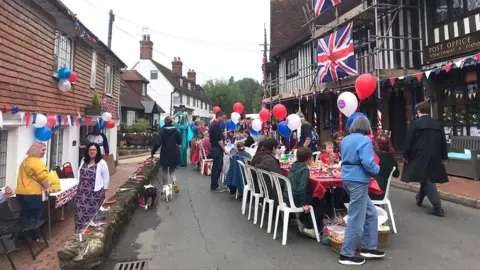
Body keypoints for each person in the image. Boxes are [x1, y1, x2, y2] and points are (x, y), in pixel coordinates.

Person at [339, 116, 382, 265]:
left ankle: (369, 247)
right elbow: (368, 162)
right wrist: (377, 169)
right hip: (358, 178)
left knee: (370, 212)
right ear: (367, 127)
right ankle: (347, 253)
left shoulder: (345, 140)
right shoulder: (365, 141)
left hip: (347, 176)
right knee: (357, 217)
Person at [402, 101, 448, 217]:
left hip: (419, 156)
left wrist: (405, 155)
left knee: (427, 180)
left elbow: (409, 141)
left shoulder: (415, 124)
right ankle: (419, 198)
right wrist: (444, 156)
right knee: (426, 177)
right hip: (434, 155)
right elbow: (443, 142)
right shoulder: (438, 124)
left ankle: (438, 208)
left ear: (418, 111)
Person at [286, 147, 325, 239]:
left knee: (313, 195)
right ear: (309, 158)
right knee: (319, 200)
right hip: (295, 199)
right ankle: (310, 227)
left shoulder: (294, 165)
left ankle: (303, 220)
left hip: (288, 196)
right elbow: (301, 188)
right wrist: (304, 204)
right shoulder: (305, 169)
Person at [15, 142, 50, 242]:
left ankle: (22, 237)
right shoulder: (37, 162)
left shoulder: (25, 161)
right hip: (32, 193)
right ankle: (35, 238)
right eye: (43, 150)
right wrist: (48, 187)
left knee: (24, 215)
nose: (44, 152)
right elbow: (43, 178)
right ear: (37, 150)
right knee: (35, 216)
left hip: (20, 192)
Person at [75, 143, 110, 233]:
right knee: (80, 211)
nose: (92, 151)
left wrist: (105, 189)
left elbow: (106, 177)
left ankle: (88, 229)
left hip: (95, 191)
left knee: (91, 211)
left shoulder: (102, 163)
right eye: (90, 150)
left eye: (94, 150)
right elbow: (79, 172)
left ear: (97, 151)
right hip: (82, 191)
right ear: (88, 151)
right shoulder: (83, 160)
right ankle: (79, 231)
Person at [152, 116, 182, 193]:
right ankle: (174, 182)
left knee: (164, 170)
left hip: (165, 153)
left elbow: (157, 143)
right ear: (171, 122)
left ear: (165, 122)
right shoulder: (176, 131)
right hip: (174, 153)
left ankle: (165, 187)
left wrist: (153, 152)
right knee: (172, 170)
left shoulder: (162, 131)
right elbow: (180, 141)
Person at [370, 131, 400, 201]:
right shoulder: (392, 158)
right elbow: (396, 174)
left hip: (371, 190)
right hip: (383, 192)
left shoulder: (373, 156)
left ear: (377, 144)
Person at [251, 138, 282, 202]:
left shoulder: (257, 155)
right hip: (268, 190)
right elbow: (278, 179)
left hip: (257, 185)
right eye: (277, 148)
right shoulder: (270, 160)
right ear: (273, 148)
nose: (277, 150)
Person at [209, 111, 228, 192]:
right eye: (223, 118)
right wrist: (224, 149)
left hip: (214, 148)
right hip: (217, 149)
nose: (224, 120)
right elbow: (219, 140)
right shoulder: (216, 126)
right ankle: (214, 185)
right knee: (217, 167)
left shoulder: (213, 125)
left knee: (216, 167)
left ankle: (214, 184)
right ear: (219, 116)